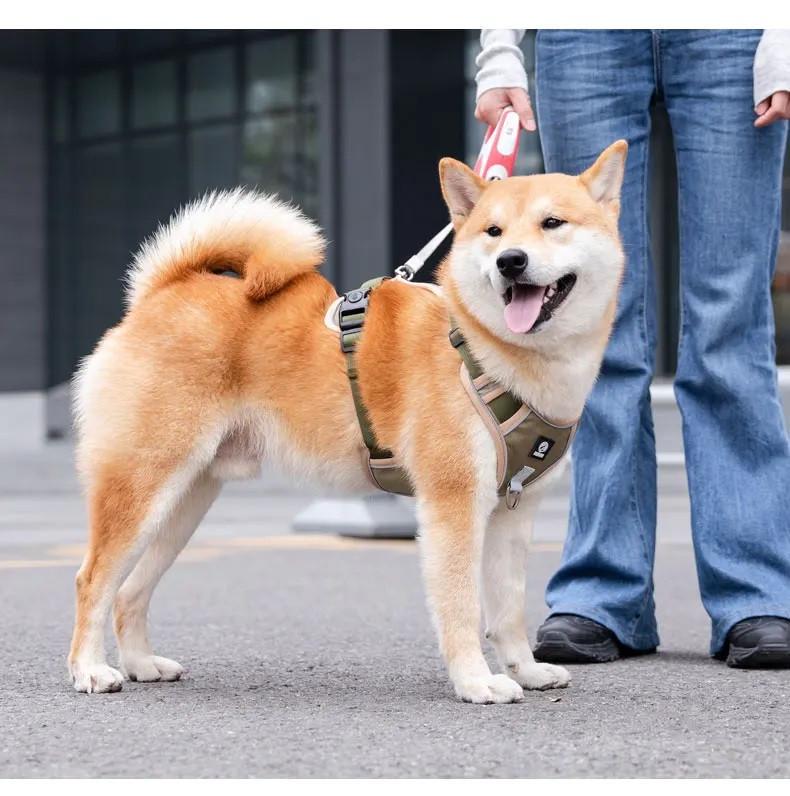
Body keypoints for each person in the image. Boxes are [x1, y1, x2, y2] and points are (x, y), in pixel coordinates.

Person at [475, 29, 790, 668]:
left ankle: (755, 591)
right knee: (590, 327)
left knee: (730, 315)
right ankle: (601, 593)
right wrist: (500, 46)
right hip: (584, 31)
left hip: (734, 30)